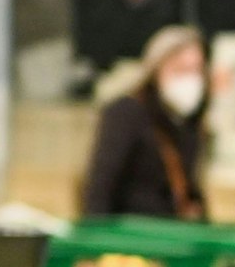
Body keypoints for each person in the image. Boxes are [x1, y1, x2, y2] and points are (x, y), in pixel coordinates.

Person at [82, 25, 211, 220]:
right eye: (181, 69)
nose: (190, 80)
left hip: (173, 235)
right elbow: (101, 187)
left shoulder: (187, 122)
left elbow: (188, 188)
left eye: (196, 70)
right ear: (156, 70)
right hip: (130, 234)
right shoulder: (127, 114)